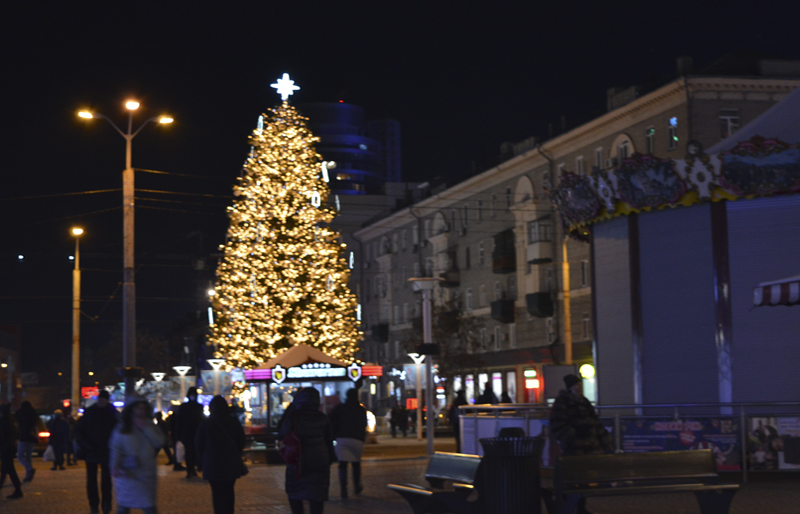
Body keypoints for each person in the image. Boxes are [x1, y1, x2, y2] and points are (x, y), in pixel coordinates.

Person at [549, 374, 612, 514]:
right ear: (569, 387)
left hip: (588, 446)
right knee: (574, 479)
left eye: (579, 385)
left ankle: (580, 507)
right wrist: (571, 436)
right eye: (576, 385)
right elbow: (557, 424)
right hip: (575, 447)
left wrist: (605, 440)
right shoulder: (562, 401)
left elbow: (595, 422)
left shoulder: (584, 401)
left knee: (583, 479)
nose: (579, 387)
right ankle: (572, 506)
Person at [278, 387, 334, 514]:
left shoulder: (293, 417)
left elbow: (281, 433)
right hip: (320, 460)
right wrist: (329, 458)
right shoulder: (323, 418)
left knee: (295, 493)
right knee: (317, 495)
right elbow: (329, 440)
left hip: (298, 460)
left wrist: (291, 408)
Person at [109, 396, 166, 514]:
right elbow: (115, 447)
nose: (142, 411)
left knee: (149, 506)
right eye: (139, 408)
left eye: (144, 409)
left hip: (146, 473)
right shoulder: (122, 427)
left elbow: (159, 442)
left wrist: (146, 428)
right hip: (127, 472)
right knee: (124, 506)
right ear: (132, 409)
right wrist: (114, 465)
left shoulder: (150, 425)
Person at [196, 396, 246, 514]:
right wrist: (236, 453)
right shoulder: (233, 421)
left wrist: (202, 459)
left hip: (212, 464)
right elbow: (241, 440)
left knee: (217, 493)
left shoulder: (206, 423)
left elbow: (198, 443)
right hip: (230, 462)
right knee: (229, 491)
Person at [75, 390, 119, 514]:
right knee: (92, 480)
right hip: (93, 450)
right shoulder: (93, 412)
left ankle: (106, 505)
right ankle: (94, 506)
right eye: (101, 399)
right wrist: (87, 445)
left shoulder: (112, 414)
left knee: (106, 480)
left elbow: (118, 432)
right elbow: (78, 431)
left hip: (105, 451)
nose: (102, 401)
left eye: (104, 399)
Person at [329, 388, 367, 498]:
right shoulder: (361, 410)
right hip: (357, 439)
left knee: (342, 464)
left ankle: (343, 489)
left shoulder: (340, 408)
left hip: (342, 438)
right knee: (356, 464)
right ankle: (356, 486)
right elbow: (364, 424)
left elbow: (331, 420)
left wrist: (334, 433)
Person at [177, 387, 204, 478]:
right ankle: (190, 469)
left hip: (194, 432)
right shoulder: (186, 407)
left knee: (194, 452)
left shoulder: (198, 406)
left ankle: (193, 469)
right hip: (189, 433)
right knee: (189, 452)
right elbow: (180, 421)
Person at [0, 403, 23, 499]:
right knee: (6, 468)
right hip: (10, 446)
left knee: (8, 468)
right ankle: (17, 489)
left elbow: (2, 436)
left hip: (5, 447)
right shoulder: (11, 421)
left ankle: (18, 489)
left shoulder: (3, 421)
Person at [13, 400, 38, 483]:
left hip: (23, 437)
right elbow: (35, 426)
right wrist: (36, 436)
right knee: (28, 456)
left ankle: (29, 469)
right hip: (31, 438)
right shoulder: (33, 414)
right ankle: (28, 475)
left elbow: (16, 424)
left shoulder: (20, 414)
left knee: (20, 456)